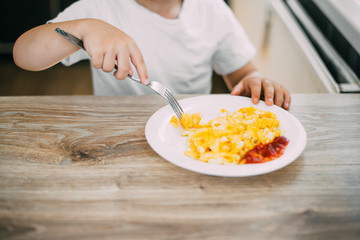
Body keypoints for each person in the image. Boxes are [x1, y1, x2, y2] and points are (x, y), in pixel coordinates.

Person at [13, 0, 291, 109]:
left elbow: (242, 72)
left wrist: (255, 81)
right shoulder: (99, 8)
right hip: (116, 136)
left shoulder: (213, 10)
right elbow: (24, 54)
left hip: (192, 133)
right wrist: (85, 28)